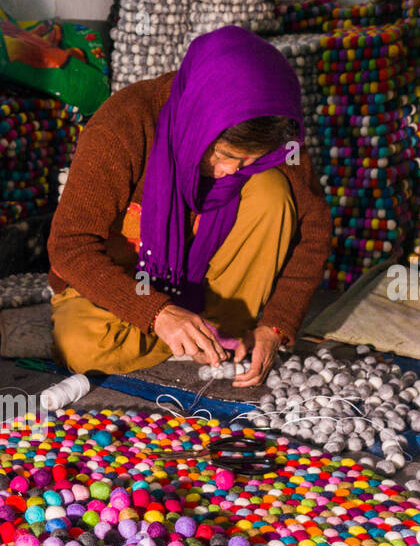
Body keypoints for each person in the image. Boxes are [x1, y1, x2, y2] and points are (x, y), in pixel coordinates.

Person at [47, 26, 333, 387]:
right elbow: (69, 245)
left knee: (272, 191)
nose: (230, 171)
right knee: (79, 346)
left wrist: (277, 324)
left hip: (206, 288)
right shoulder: (124, 125)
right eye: (225, 155)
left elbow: (314, 229)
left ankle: (214, 327)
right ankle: (198, 336)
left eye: (247, 162)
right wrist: (156, 313)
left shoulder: (272, 132)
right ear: (201, 121)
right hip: (120, 288)